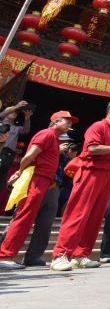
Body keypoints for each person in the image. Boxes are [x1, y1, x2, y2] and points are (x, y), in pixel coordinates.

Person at [51, 100, 110, 271]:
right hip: (91, 172)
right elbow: (92, 149)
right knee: (78, 213)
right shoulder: (98, 127)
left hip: (107, 175)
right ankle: (60, 255)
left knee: (95, 217)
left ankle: (81, 255)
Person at [0, 111, 75, 269]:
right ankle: (5, 255)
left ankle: (26, 257)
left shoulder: (53, 138)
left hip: (47, 182)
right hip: (37, 179)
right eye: (67, 121)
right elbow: (29, 156)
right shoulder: (47, 134)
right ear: (55, 122)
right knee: (24, 216)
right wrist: (20, 172)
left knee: (33, 219)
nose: (70, 125)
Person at [0, 101, 31, 190]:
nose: (14, 113)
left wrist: (27, 118)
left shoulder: (16, 127)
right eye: (11, 111)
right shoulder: (1, 122)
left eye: (15, 112)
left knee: (2, 176)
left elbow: (25, 131)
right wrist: (15, 107)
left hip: (8, 153)